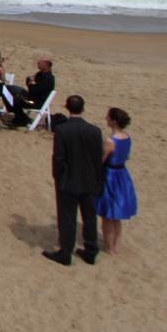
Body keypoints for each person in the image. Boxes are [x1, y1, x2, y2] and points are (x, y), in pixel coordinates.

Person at [45, 96, 104, 266]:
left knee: (67, 218)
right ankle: (91, 250)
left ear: (67, 108)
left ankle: (66, 252)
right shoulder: (95, 131)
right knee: (89, 217)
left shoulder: (62, 130)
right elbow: (98, 159)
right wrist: (98, 180)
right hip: (89, 180)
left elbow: (58, 158)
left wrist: (58, 177)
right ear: (83, 108)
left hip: (68, 181)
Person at [96, 107, 137, 254]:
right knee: (116, 216)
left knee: (108, 215)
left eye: (108, 117)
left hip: (110, 176)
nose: (106, 118)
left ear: (114, 121)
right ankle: (115, 246)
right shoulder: (126, 138)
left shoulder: (110, 141)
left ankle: (109, 247)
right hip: (122, 174)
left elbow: (101, 160)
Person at [5, 58, 56, 127]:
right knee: (10, 90)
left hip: (35, 102)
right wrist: (31, 83)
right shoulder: (40, 73)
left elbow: (35, 90)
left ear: (46, 65)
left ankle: (22, 119)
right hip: (30, 98)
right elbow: (29, 79)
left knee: (17, 99)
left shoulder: (48, 78)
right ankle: (21, 117)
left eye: (40, 63)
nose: (38, 63)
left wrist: (31, 84)